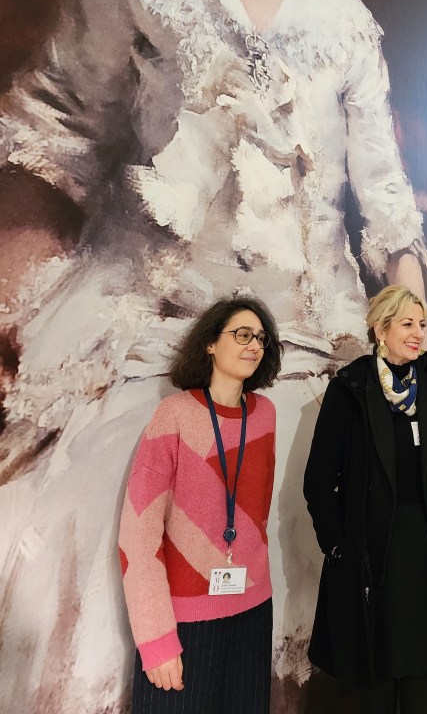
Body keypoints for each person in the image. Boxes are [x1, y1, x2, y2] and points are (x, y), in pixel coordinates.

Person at [0, 0, 427, 706]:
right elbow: (58, 128)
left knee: (308, 558)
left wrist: (407, 346)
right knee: (70, 561)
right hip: (140, 320)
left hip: (306, 337)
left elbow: (391, 216)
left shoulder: (349, 31)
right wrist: (13, 308)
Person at [303, 286, 427, 713]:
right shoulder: (350, 389)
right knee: (377, 673)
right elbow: (318, 480)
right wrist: (336, 546)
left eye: (421, 324)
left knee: (426, 671)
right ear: (380, 329)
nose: (418, 334)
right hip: (372, 556)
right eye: (407, 324)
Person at [119, 297, 280, 712]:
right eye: (242, 334)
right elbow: (138, 536)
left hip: (252, 612)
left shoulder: (265, 415)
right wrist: (155, 637)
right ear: (210, 343)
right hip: (184, 622)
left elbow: (257, 514)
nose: (253, 345)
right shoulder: (172, 415)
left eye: (261, 338)